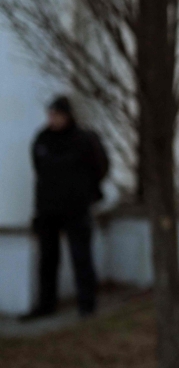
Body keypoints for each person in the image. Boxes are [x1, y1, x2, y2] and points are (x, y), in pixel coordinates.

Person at [22, 96, 108, 320]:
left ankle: (87, 305)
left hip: (76, 208)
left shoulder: (83, 139)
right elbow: (39, 169)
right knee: (47, 259)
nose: (53, 119)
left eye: (57, 115)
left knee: (81, 257)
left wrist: (85, 193)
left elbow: (100, 167)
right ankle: (46, 304)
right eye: (50, 115)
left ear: (67, 116)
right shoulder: (43, 139)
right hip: (48, 209)